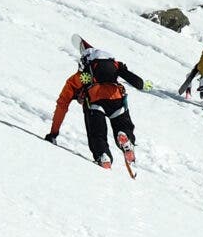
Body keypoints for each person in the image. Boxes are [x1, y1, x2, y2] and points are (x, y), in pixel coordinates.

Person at [45, 42, 152, 170]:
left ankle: (103, 154)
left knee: (97, 133)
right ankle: (126, 137)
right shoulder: (114, 65)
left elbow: (62, 105)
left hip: (95, 101)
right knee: (123, 124)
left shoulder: (80, 77)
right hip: (116, 97)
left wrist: (53, 133)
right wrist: (143, 85)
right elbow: (135, 80)